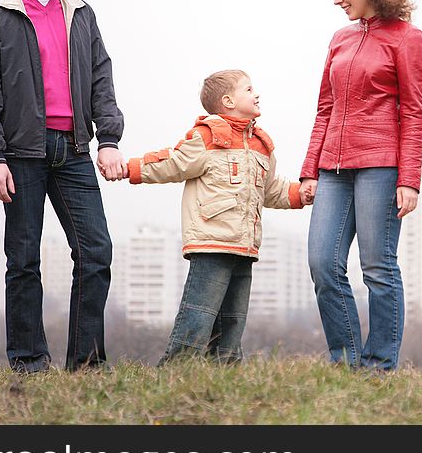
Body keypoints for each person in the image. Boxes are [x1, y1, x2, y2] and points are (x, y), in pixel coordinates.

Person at [0, 0, 127, 373]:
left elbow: (100, 76)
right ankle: (30, 361)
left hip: (74, 151)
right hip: (19, 155)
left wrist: (108, 139)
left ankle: (87, 363)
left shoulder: (80, 12)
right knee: (23, 259)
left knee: (96, 252)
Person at [298, 0, 422, 371]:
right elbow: (324, 108)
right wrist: (309, 171)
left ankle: (379, 367)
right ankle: (346, 361)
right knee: (322, 262)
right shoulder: (340, 39)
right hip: (333, 169)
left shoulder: (408, 39)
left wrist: (409, 179)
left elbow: (413, 113)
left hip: (381, 166)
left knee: (377, 267)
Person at [125, 70, 305, 364]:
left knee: (233, 318)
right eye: (249, 89)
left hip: (245, 246)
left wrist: (300, 194)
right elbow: (172, 162)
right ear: (228, 101)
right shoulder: (207, 137)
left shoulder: (262, 146)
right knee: (199, 313)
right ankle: (177, 368)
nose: (256, 94)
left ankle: (225, 370)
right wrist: (131, 168)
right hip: (211, 242)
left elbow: (271, 190)